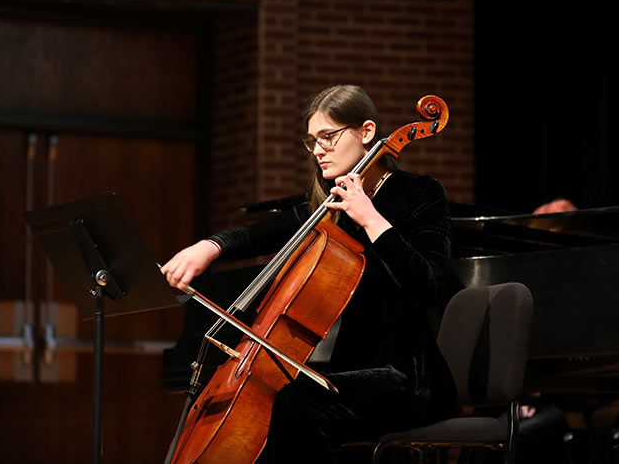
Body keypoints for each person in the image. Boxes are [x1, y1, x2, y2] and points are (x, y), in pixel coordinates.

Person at [161, 84, 456, 463]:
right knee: (283, 404)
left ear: (366, 132)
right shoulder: (329, 207)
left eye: (328, 137)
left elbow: (429, 284)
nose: (318, 150)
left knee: (297, 403)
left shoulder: (420, 193)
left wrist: (370, 218)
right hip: (347, 373)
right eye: (312, 141)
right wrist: (210, 246)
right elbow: (259, 234)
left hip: (409, 379)